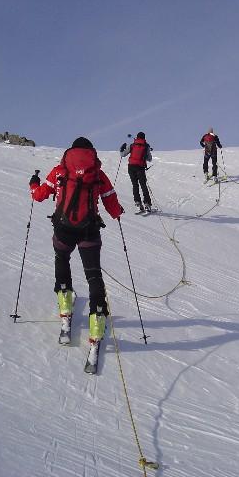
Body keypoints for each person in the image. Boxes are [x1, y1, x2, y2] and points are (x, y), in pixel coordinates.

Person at [29, 137, 123, 346]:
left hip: (63, 229)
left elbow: (38, 195)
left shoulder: (59, 171)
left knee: (62, 259)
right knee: (93, 274)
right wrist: (117, 212)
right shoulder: (97, 174)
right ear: (91, 153)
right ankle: (97, 323)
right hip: (89, 230)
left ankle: (65, 306)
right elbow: (110, 201)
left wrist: (33, 183)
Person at [120, 132, 153, 212]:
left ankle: (138, 203)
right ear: (144, 138)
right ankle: (147, 204)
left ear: (137, 137)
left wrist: (122, 149)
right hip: (140, 168)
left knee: (135, 185)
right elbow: (149, 159)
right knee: (143, 185)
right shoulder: (146, 146)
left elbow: (123, 155)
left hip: (131, 167)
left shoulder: (132, 145)